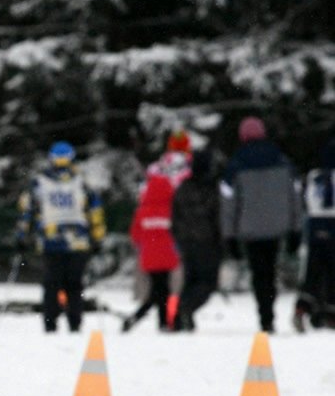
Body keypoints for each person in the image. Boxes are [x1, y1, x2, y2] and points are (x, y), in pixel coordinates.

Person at [220, 116, 301, 333]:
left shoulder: (236, 164)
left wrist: (229, 235)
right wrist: (296, 228)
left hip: (250, 228)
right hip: (277, 226)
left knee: (259, 274)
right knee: (270, 271)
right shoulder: (282, 160)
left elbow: (229, 204)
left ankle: (265, 315)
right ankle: (269, 312)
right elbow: (295, 196)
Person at [16, 141, 105, 333]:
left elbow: (27, 210)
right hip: (77, 243)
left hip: (51, 242)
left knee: (51, 285)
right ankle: (74, 322)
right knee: (74, 285)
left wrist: (22, 235)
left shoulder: (39, 182)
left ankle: (51, 322)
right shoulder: (81, 182)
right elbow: (95, 212)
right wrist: (98, 237)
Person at [170, 150, 222, 331]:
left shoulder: (183, 188)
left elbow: (174, 216)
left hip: (186, 242)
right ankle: (186, 310)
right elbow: (217, 217)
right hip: (207, 242)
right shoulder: (211, 189)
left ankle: (179, 318)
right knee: (207, 284)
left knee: (190, 281)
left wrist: (177, 237)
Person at [123, 175, 179, 332]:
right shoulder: (170, 210)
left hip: (149, 257)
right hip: (168, 255)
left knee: (159, 289)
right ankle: (155, 320)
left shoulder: (142, 211)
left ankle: (161, 322)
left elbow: (135, 234)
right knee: (162, 290)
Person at [293, 137, 335, 331]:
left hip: (315, 227)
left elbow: (305, 202)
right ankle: (330, 313)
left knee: (313, 271)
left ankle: (303, 307)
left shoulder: (313, 176)